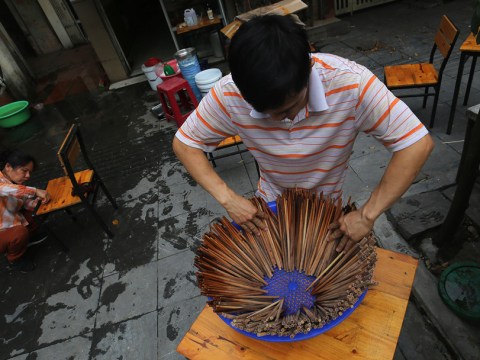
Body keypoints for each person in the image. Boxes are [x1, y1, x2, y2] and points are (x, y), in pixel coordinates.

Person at [173, 15, 434, 251]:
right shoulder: (229, 93)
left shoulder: (350, 84)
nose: (279, 120)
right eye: (265, 112)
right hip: (270, 208)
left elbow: (417, 144)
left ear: (308, 72)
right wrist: (228, 198)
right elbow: (185, 144)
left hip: (327, 211)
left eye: (288, 108)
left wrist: (367, 215)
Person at [0, 149, 51, 272]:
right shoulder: (5, 185)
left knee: (38, 213)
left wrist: (36, 203)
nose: (28, 176)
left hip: (10, 221)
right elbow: (6, 190)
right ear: (8, 167)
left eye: (30, 172)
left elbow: (22, 203)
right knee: (19, 233)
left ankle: (26, 239)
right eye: (24, 171)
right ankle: (15, 259)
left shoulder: (14, 184)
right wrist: (35, 191)